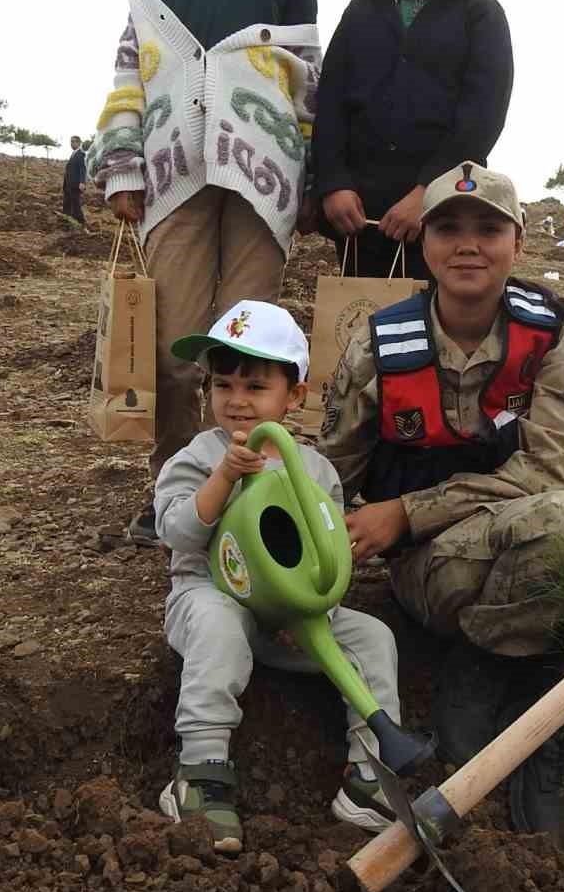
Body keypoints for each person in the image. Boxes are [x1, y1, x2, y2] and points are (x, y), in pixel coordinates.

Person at [317, 161, 564, 838]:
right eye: (448, 228)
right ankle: (480, 669)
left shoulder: (562, 331)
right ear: (424, 245)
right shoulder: (380, 344)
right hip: (441, 567)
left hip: (543, 519)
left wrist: (405, 510)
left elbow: (551, 473)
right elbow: (328, 472)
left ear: (517, 243)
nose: (467, 244)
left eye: (487, 228)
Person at [88, 0, 319, 496]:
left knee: (247, 349)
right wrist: (124, 161)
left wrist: (309, 178)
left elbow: (305, 74)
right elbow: (137, 52)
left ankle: (242, 494)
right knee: (171, 349)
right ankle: (176, 490)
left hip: (262, 179)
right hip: (173, 172)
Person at [153, 301, 408, 851]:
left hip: (292, 617)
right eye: (223, 385)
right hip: (209, 598)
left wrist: (313, 607)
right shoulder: (197, 456)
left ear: (294, 396)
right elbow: (177, 533)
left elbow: (328, 552)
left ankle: (369, 775)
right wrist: (222, 478)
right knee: (219, 621)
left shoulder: (314, 469)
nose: (237, 400)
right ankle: (200, 772)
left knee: (372, 637)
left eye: (256, 385)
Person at [312, 0, 514, 280]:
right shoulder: (362, 10)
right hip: (358, 221)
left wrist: (427, 195)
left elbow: (480, 119)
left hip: (441, 219)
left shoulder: (481, 16)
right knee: (356, 332)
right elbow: (329, 103)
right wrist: (333, 183)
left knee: (432, 333)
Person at [61, 135, 87, 226]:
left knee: (76, 204)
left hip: (75, 185)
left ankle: (81, 223)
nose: (71, 144)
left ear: (79, 143)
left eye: (73, 141)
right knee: (66, 203)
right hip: (68, 185)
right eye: (71, 141)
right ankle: (66, 221)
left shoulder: (81, 154)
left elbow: (83, 169)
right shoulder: (73, 154)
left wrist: (82, 182)